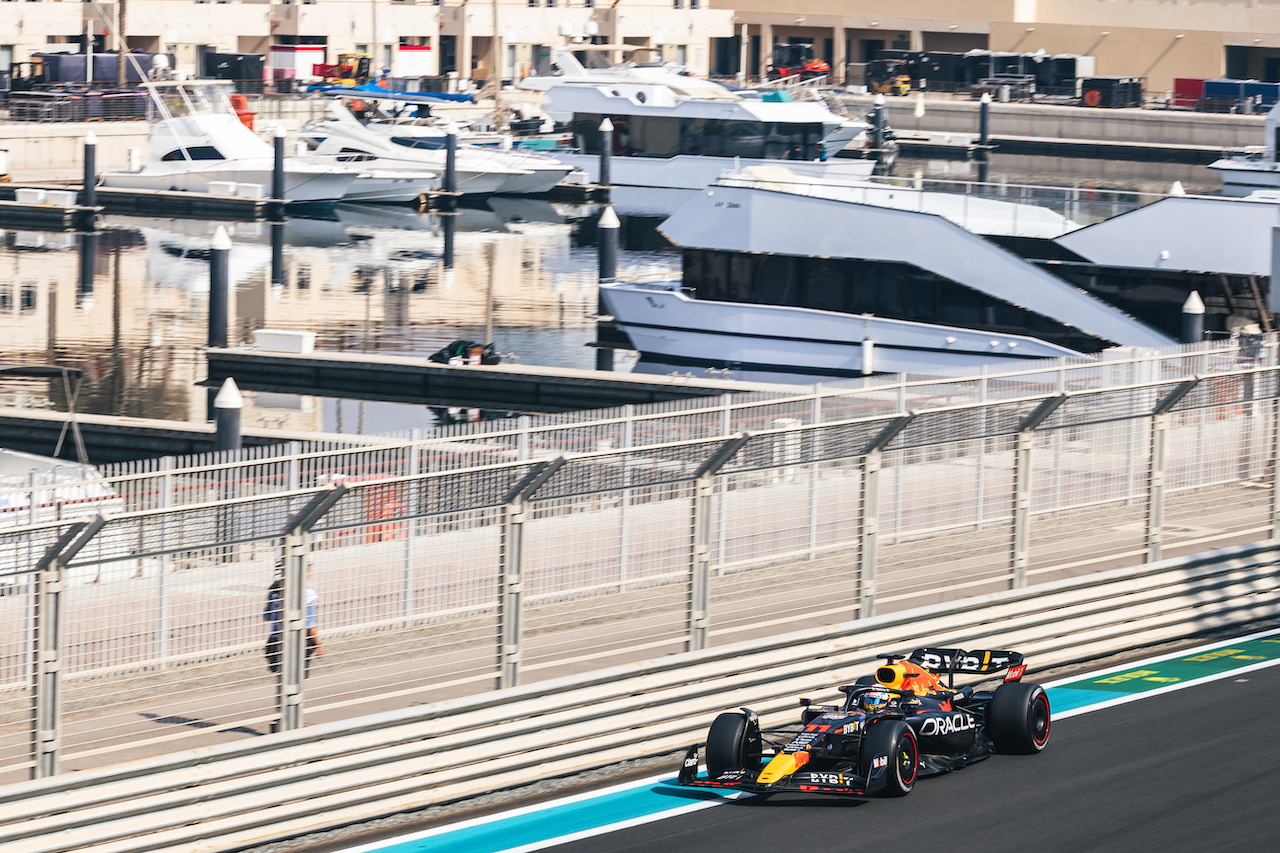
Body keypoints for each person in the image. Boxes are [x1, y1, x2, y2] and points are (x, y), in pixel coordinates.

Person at [263, 567, 324, 678]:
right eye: (309, 570)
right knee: (298, 676)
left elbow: (267, 616)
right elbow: (310, 623)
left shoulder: (274, 590)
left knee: (282, 675)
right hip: (299, 640)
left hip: (276, 639)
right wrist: (319, 644)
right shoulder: (308, 594)